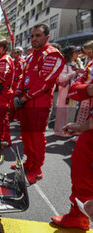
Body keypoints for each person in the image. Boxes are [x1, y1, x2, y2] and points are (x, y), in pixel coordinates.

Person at [13, 23, 64, 184]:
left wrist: (24, 97)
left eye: (38, 35)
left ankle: (37, 170)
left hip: (39, 104)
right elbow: (23, 76)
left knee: (36, 138)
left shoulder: (52, 55)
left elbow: (45, 83)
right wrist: (18, 93)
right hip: (26, 103)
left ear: (47, 37)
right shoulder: (32, 55)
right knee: (27, 136)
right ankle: (29, 162)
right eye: (32, 36)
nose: (34, 38)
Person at [51, 40, 93, 230]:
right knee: (80, 171)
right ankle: (78, 215)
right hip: (88, 125)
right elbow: (76, 90)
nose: (83, 55)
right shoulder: (90, 66)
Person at [54, 45, 83, 137]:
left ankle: (68, 130)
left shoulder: (77, 63)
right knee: (63, 110)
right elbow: (61, 78)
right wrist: (74, 73)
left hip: (73, 91)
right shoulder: (63, 65)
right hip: (65, 91)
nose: (78, 54)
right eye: (76, 52)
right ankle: (60, 131)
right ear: (70, 54)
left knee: (71, 110)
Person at [10, 47, 25, 121]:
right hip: (12, 82)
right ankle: (12, 115)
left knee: (17, 99)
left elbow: (24, 73)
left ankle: (16, 116)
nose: (13, 54)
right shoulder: (12, 62)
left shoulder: (22, 62)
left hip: (18, 83)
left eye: (15, 53)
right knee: (11, 99)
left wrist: (20, 80)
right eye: (13, 53)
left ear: (19, 53)